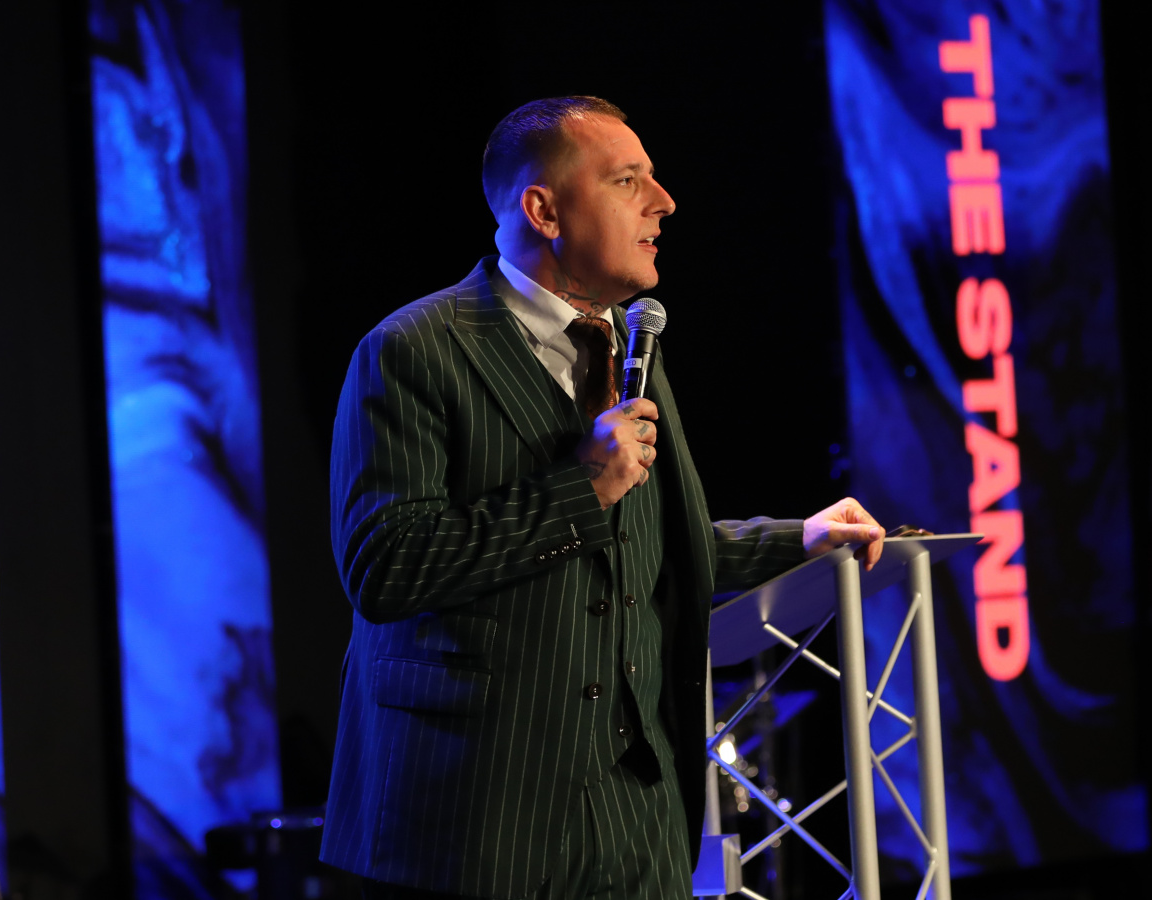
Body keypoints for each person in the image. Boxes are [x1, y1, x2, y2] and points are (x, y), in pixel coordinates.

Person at [321, 96, 884, 899]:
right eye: (628, 181)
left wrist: (797, 539)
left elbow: (652, 542)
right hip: (475, 820)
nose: (665, 202)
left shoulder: (630, 345)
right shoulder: (413, 350)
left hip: (634, 826)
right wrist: (582, 487)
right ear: (544, 210)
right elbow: (386, 566)